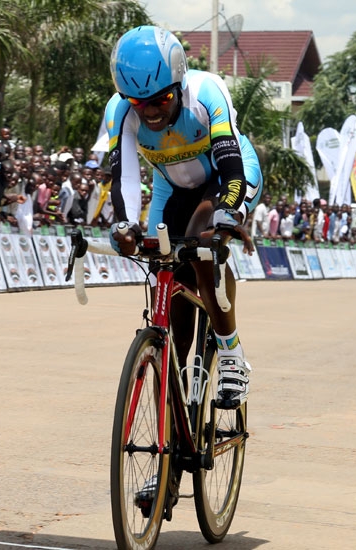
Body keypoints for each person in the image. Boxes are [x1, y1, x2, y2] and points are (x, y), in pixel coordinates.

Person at [106, 26, 262, 409]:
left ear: (178, 82)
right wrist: (123, 225)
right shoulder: (121, 111)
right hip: (171, 188)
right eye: (141, 104)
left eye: (161, 99)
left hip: (224, 178)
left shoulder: (207, 91)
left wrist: (227, 216)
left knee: (199, 244)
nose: (152, 111)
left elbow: (231, 169)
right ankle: (172, 432)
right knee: (168, 275)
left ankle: (231, 355)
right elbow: (124, 179)